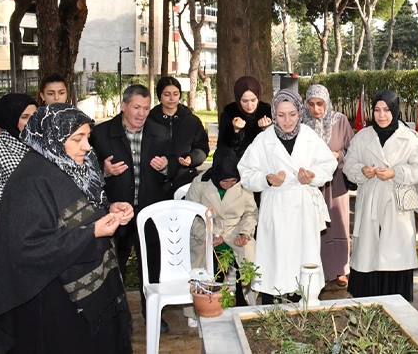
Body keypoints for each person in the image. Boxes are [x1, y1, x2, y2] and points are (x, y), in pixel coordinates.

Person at [0, 104, 134, 354]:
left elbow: (85, 211)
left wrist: (110, 209)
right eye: (77, 138)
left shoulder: (76, 166)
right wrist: (91, 232)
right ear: (51, 138)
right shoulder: (29, 181)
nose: (87, 146)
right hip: (51, 301)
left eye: (87, 137)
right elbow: (27, 248)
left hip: (85, 294)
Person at [237, 89, 337, 305]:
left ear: (299, 112)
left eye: (292, 114)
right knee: (276, 263)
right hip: (276, 207)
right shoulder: (263, 140)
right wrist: (266, 179)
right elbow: (245, 172)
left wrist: (312, 176)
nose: (287, 120)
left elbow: (329, 164)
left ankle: (304, 305)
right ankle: (271, 310)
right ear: (273, 114)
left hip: (303, 208)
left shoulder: (309, 137)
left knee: (302, 260)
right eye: (281, 115)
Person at [92, 84, 171, 332]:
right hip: (117, 214)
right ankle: (116, 317)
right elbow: (86, 175)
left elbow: (171, 173)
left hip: (149, 213)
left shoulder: (160, 133)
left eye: (146, 108)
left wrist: (165, 168)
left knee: (152, 265)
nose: (142, 113)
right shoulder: (101, 134)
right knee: (115, 266)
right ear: (123, 105)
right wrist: (104, 171)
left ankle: (153, 314)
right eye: (136, 107)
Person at [343, 90, 418, 302]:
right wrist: (362, 170)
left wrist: (396, 173)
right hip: (370, 198)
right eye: (377, 110)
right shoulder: (363, 136)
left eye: (387, 110)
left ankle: (395, 300)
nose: (381, 115)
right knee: (368, 252)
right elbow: (349, 165)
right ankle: (368, 299)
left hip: (395, 202)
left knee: (394, 253)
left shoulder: (409, 138)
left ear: (395, 111)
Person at [186, 146, 258, 307]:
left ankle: (242, 297)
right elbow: (190, 217)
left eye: (233, 181)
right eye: (224, 181)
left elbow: (250, 213)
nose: (229, 184)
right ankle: (210, 300)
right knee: (211, 260)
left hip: (235, 231)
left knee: (247, 254)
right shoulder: (200, 184)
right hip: (207, 233)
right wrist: (207, 236)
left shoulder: (243, 184)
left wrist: (245, 233)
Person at [302, 84, 355, 287]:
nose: (316, 109)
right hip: (312, 184)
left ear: (327, 103)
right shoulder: (301, 123)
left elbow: (353, 150)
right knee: (314, 225)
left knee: (337, 223)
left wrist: (338, 155)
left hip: (335, 182)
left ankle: (340, 269)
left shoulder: (339, 121)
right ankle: (316, 270)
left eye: (320, 104)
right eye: (312, 104)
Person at [149, 77, 210, 194]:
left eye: (175, 94)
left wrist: (192, 158)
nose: (172, 98)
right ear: (159, 96)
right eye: (167, 94)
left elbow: (202, 148)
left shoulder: (191, 121)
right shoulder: (150, 120)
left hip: (185, 179)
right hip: (155, 180)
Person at [0, 93, 38, 204]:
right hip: (16, 214)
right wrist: (25, 193)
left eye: (35, 116)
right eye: (25, 117)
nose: (32, 122)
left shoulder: (45, 142)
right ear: (11, 118)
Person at [219, 76, 272, 160]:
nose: (249, 105)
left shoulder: (267, 112)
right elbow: (223, 148)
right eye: (244, 101)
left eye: (253, 100)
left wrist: (267, 129)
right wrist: (235, 131)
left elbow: (275, 147)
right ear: (238, 99)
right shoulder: (229, 112)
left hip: (261, 161)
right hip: (235, 162)